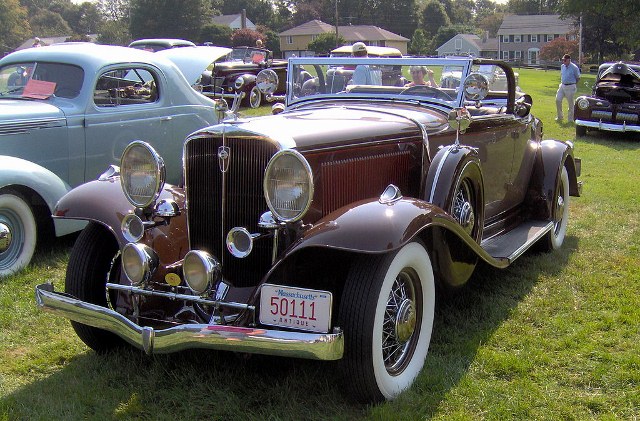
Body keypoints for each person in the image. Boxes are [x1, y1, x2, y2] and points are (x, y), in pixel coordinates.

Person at [556, 54, 580, 123]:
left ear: (569, 60)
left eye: (565, 60)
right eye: (563, 60)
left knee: (570, 103)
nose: (563, 61)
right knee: (558, 99)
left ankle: (570, 119)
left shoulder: (574, 67)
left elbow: (578, 78)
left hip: (570, 86)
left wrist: (573, 85)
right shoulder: (562, 66)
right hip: (562, 85)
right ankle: (560, 116)